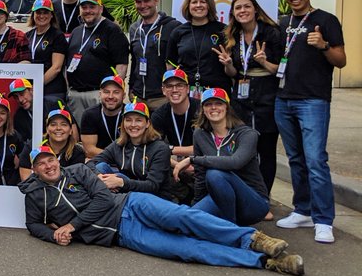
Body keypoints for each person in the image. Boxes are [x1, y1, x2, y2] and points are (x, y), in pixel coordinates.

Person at [19, 146, 304, 276]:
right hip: (124, 234)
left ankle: (253, 239)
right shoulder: (33, 194)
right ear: (35, 170)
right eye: (41, 164)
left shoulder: (78, 170)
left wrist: (72, 226)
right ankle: (264, 262)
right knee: (187, 250)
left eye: (50, 159)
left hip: (131, 204)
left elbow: (104, 201)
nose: (49, 165)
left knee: (186, 217)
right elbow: (34, 225)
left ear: (56, 159)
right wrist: (52, 233)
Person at [274, 0, 346, 244]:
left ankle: (324, 219)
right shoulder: (282, 23)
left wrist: (324, 45)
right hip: (283, 99)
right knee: (296, 159)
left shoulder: (325, 20)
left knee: (316, 160)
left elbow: (341, 60)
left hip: (313, 100)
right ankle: (302, 210)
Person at [172, 88, 268, 226]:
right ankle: (223, 227)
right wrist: (196, 207)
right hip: (219, 199)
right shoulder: (200, 134)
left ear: (227, 108)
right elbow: (200, 175)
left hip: (253, 202)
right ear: (203, 109)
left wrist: (192, 159)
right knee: (187, 221)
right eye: (208, 104)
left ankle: (229, 228)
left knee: (215, 174)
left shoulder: (247, 134)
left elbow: (236, 162)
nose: (213, 108)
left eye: (218, 103)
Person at [219, 0, 284, 196]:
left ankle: (264, 197)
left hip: (267, 96)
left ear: (255, 9)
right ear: (233, 13)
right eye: (238, 8)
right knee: (244, 150)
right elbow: (233, 73)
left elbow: (281, 69)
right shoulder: (231, 36)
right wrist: (228, 65)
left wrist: (264, 61)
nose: (243, 11)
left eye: (246, 6)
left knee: (266, 150)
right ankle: (247, 195)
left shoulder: (272, 32)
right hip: (241, 98)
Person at [87, 101, 173, 200]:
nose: (133, 124)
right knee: (100, 167)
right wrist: (99, 177)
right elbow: (90, 163)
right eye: (128, 120)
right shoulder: (118, 144)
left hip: (154, 198)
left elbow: (153, 186)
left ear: (147, 123)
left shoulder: (160, 148)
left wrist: (121, 182)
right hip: (127, 194)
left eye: (138, 120)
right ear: (123, 123)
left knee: (118, 176)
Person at [63, 0, 129, 116]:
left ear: (101, 9)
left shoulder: (112, 30)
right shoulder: (76, 32)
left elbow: (121, 65)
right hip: (74, 95)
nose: (88, 11)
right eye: (84, 7)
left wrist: (113, 93)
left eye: (92, 7)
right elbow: (68, 63)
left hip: (98, 94)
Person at [127, 0, 180, 111]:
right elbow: (134, 61)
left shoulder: (172, 26)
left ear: (156, 0)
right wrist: (131, 88)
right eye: (139, 2)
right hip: (139, 96)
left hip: (162, 97)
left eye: (147, 0)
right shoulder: (134, 28)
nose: (143, 5)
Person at [166, 0, 230, 92]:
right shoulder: (178, 32)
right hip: (186, 93)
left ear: (209, 5)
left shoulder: (223, 31)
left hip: (217, 93)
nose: (198, 5)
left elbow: (231, 67)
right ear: (188, 6)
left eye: (203, 2)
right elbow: (170, 66)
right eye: (194, 2)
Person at [151, 68, 197, 204]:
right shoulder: (159, 115)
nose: (174, 90)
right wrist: (178, 165)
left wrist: (172, 150)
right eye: (169, 86)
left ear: (187, 88)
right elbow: (154, 149)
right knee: (154, 165)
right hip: (175, 160)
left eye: (179, 85)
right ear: (163, 90)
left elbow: (208, 146)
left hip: (200, 158)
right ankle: (184, 195)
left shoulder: (200, 109)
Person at [25, 0, 68, 108]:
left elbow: (57, 67)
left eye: (46, 12)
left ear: (51, 15)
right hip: (31, 89)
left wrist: (37, 85)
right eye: (38, 12)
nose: (42, 16)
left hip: (52, 89)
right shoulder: (27, 36)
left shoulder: (57, 36)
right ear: (33, 15)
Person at [79, 74, 127, 158]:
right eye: (106, 92)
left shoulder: (130, 115)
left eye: (116, 92)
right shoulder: (89, 115)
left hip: (128, 161)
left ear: (124, 95)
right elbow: (89, 150)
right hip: (100, 159)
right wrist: (116, 157)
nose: (111, 96)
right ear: (100, 94)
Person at [0, 0, 30, 64]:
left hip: (11, 73)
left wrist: (11, 72)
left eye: (0, 12)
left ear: (6, 16)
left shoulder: (18, 36)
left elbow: (26, 61)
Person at [8, 78, 35, 143]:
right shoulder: (18, 117)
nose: (20, 100)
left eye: (22, 93)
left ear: (31, 90)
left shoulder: (52, 104)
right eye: (16, 97)